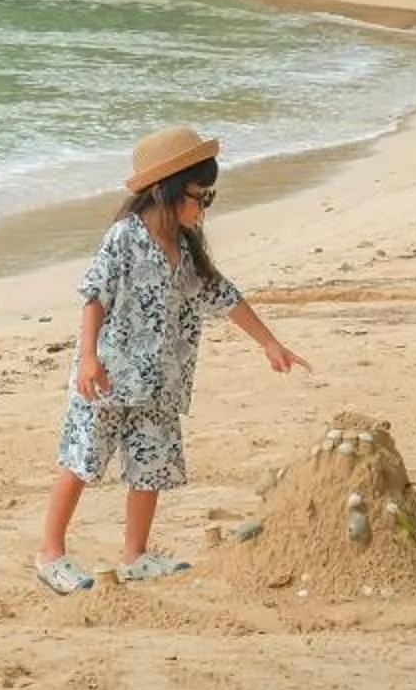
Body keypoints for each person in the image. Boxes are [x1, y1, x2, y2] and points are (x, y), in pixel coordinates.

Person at [33, 125, 309, 594]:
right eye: (201, 196)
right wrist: (87, 361)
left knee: (150, 467)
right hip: (107, 377)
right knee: (82, 461)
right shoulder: (124, 237)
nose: (204, 207)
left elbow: (224, 296)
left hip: (160, 383)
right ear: (166, 192)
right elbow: (93, 297)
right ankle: (50, 554)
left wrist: (269, 342)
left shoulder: (185, 251)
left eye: (210, 198)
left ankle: (136, 554)